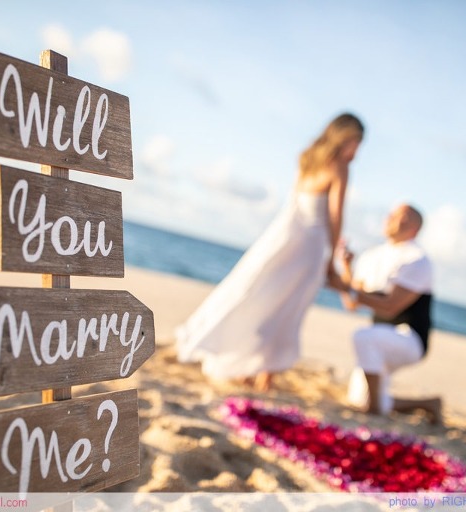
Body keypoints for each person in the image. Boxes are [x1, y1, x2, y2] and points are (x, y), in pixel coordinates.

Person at [176, 113, 365, 391]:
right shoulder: (339, 167)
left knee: (264, 298)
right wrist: (333, 257)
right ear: (345, 138)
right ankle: (265, 374)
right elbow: (335, 217)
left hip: (288, 236)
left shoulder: (307, 159)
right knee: (289, 308)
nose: (356, 152)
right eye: (356, 143)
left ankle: (249, 367)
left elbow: (295, 205)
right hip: (312, 245)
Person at [333, 203, 442, 424]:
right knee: (357, 398)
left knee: (363, 337)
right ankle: (429, 404)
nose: (393, 219)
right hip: (379, 338)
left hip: (408, 338)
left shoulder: (417, 259)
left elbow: (391, 307)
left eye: (403, 218)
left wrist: (344, 286)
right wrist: (346, 268)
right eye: (392, 215)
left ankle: (373, 411)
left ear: (415, 229)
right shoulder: (372, 256)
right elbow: (352, 304)